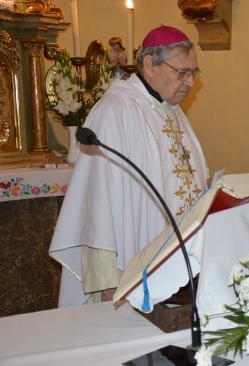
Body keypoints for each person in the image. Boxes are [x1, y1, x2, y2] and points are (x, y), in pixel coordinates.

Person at [49, 25, 209, 307]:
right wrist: (107, 279)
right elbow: (96, 201)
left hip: (179, 268)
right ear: (150, 65)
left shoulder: (172, 112)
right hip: (130, 270)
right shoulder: (114, 111)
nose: (190, 82)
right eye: (182, 72)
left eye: (193, 72)